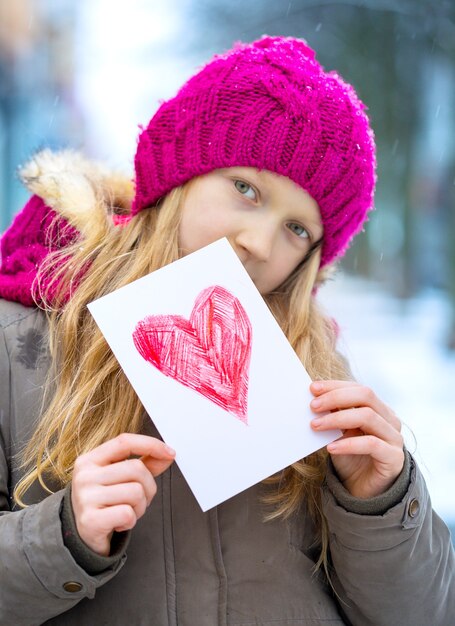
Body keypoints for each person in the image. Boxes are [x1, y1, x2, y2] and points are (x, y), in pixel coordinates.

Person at [0, 35, 453, 626]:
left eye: (296, 229)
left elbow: (425, 612)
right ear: (180, 175)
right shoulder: (23, 341)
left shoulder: (315, 376)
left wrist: (381, 506)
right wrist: (60, 536)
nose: (259, 243)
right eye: (246, 189)